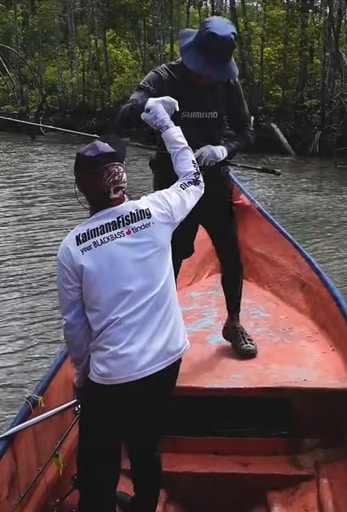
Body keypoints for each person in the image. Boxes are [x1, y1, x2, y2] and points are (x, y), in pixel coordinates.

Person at [56, 95, 203, 512]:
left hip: (112, 378)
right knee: (146, 445)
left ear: (83, 191)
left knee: (97, 476)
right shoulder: (158, 210)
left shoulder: (72, 248)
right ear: (122, 180)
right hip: (166, 362)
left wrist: (82, 377)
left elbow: (75, 327)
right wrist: (164, 123)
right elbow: (193, 175)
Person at [114, 15, 258, 359]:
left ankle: (234, 322)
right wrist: (146, 106)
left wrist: (224, 149)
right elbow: (122, 118)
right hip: (171, 185)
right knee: (170, 256)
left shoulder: (227, 83)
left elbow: (247, 132)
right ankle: (158, 327)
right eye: (203, 68)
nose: (206, 76)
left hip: (213, 179)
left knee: (231, 255)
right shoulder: (164, 77)